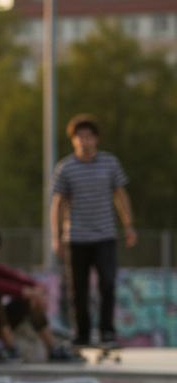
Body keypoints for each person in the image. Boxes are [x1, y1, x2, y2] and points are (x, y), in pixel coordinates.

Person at [51, 114, 136, 348]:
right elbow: (57, 203)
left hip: (105, 235)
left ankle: (107, 332)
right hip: (76, 237)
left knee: (107, 283)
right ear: (73, 141)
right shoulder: (65, 168)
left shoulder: (110, 163)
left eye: (88, 137)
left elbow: (120, 195)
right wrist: (55, 236)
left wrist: (128, 225)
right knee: (78, 288)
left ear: (96, 139)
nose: (84, 141)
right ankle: (82, 333)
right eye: (79, 137)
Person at [0, 226, 78, 361]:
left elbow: (15, 277)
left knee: (30, 300)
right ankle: (11, 348)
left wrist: (36, 288)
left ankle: (53, 348)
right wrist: (25, 291)